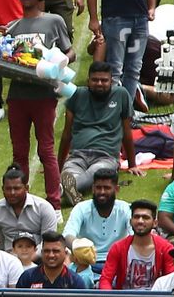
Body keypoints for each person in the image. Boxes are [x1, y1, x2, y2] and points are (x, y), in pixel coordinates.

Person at [4, 0, 72, 207]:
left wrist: (57, 65)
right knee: (19, 152)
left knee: (46, 150)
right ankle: (21, 200)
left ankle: (54, 202)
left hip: (43, 95)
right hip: (17, 95)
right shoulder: (12, 26)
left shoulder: (54, 21)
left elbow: (69, 52)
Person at [59, 61, 140, 205]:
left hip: (106, 157)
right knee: (69, 174)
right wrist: (58, 167)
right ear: (88, 81)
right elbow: (66, 134)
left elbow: (127, 132)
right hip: (77, 155)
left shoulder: (121, 94)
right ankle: (69, 190)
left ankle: (63, 190)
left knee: (95, 175)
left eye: (104, 80)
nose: (100, 83)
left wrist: (132, 164)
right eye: (95, 80)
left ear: (111, 81)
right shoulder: (77, 94)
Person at [99, 199, 174, 289]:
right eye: (136, 217)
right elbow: (105, 279)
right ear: (131, 221)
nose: (140, 221)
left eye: (145, 217)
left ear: (155, 223)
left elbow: (171, 280)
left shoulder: (166, 249)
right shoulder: (117, 248)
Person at [15, 230, 88, 288]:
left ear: (65, 253)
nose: (51, 255)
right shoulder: (27, 277)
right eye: (47, 251)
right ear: (41, 252)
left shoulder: (75, 281)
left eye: (56, 251)